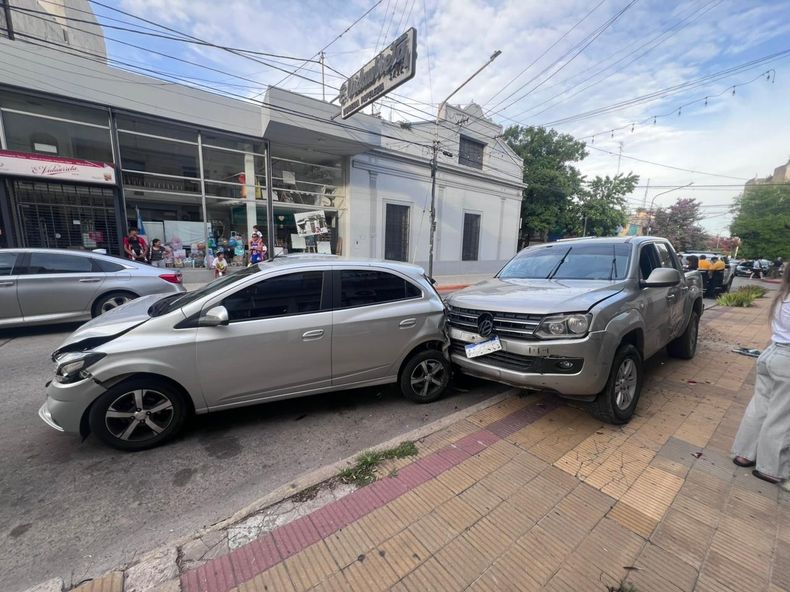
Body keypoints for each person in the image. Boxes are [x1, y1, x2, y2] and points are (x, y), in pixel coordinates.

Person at [731, 263, 790, 487]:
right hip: (786, 359)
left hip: (772, 353)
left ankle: (744, 454)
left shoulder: (783, 296)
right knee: (782, 415)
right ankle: (770, 468)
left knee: (761, 406)